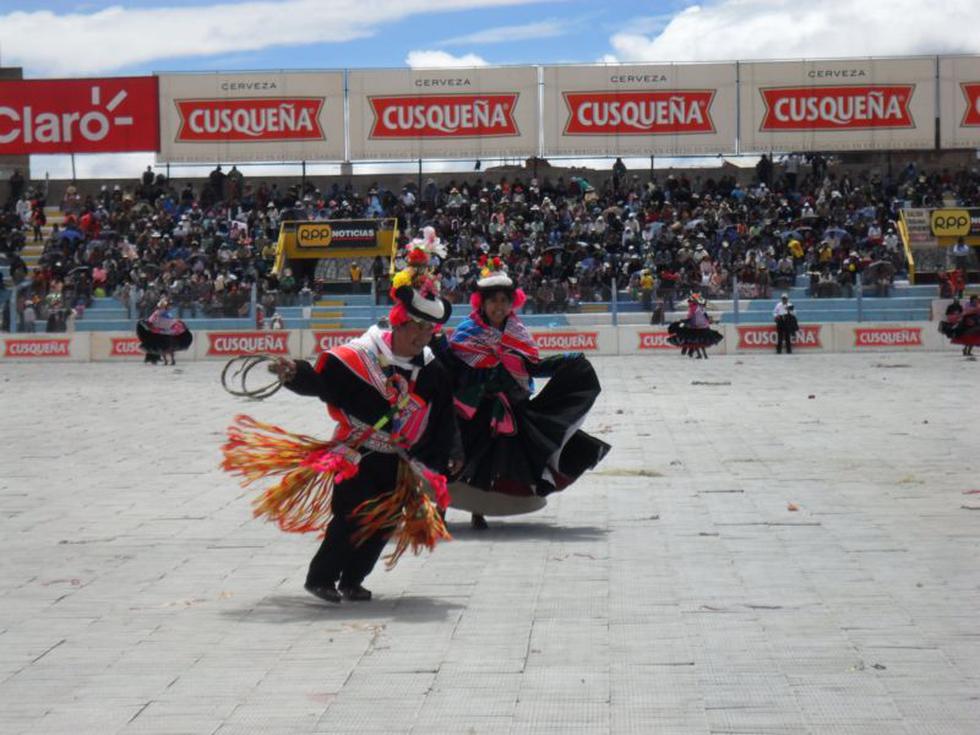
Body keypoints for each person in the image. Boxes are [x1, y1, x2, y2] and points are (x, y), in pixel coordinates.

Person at [223, 283, 461, 603]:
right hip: (356, 452)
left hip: (397, 457)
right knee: (349, 516)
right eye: (415, 327)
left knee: (384, 521)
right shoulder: (359, 356)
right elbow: (323, 385)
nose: (422, 336)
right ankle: (321, 578)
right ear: (397, 322)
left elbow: (444, 416)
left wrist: (450, 453)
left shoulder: (433, 370)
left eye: (429, 330)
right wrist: (295, 373)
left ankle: (353, 580)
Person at [435, 256, 610, 530]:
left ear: (512, 302)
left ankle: (478, 512)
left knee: (489, 466)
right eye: (493, 301)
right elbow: (453, 365)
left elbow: (532, 366)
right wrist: (436, 344)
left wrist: (569, 362)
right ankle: (440, 510)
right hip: (470, 409)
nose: (499, 306)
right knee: (458, 460)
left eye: (504, 301)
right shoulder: (467, 332)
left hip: (507, 410)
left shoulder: (517, 332)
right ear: (482, 303)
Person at [138, 297, 192, 365]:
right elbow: (152, 320)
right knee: (165, 347)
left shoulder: (162, 313)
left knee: (165, 347)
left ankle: (169, 360)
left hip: (165, 332)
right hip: (163, 332)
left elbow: (152, 320)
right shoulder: (160, 313)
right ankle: (168, 360)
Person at [667, 294, 723, 359]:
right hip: (705, 329)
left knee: (686, 335)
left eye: (689, 301)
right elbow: (706, 317)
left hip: (697, 328)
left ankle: (687, 351)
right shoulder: (701, 308)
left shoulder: (693, 308)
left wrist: (683, 322)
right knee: (694, 338)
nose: (688, 303)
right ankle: (693, 352)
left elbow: (691, 319)